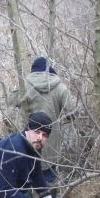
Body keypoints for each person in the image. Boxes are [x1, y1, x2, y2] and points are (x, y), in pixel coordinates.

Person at [19, 56, 77, 184]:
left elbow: (10, 103)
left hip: (26, 144)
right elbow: (73, 112)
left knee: (26, 181)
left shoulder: (23, 86)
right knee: (48, 182)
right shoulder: (60, 87)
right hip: (50, 145)